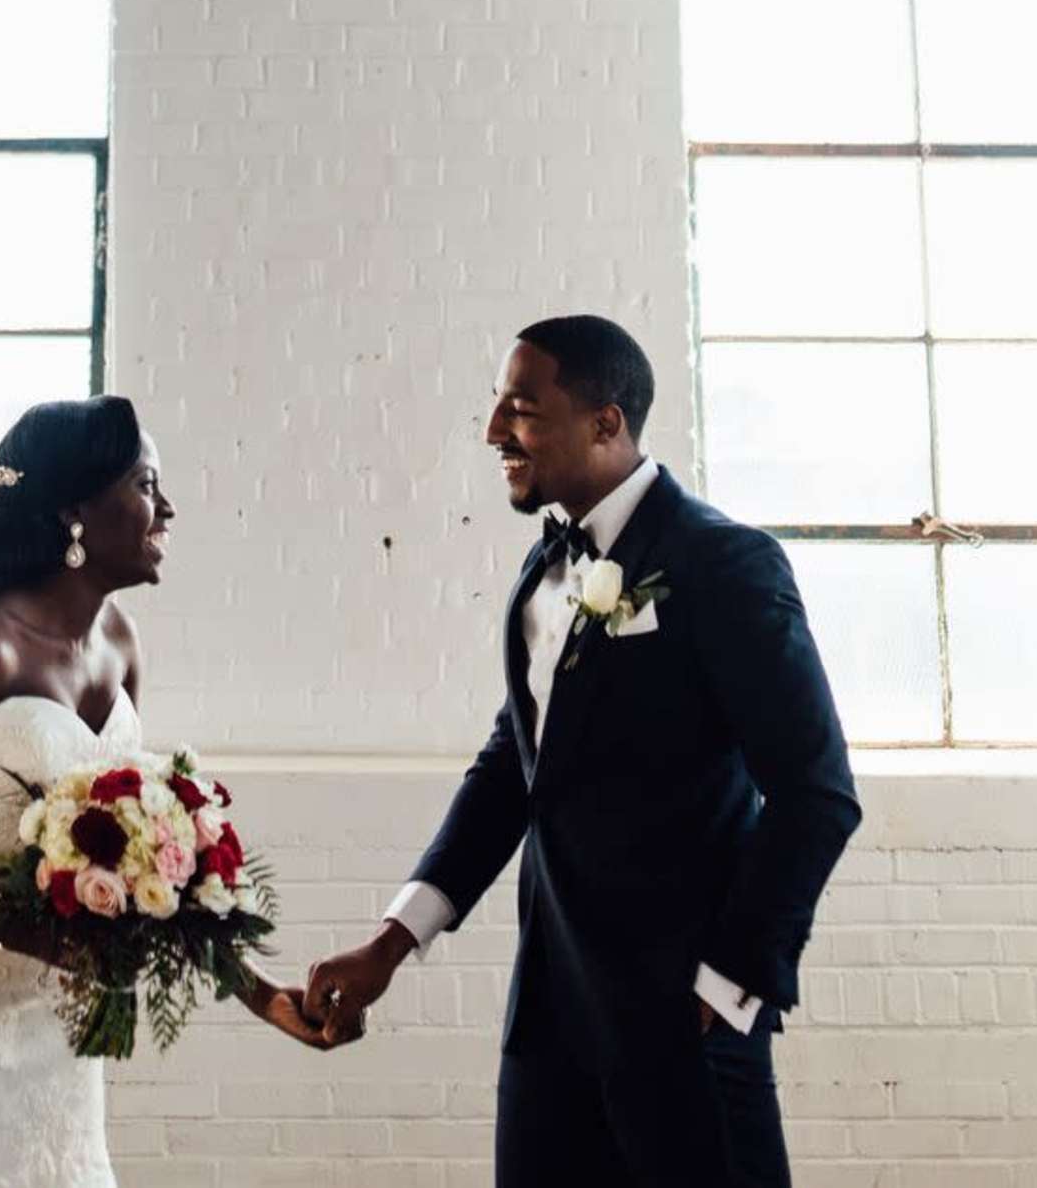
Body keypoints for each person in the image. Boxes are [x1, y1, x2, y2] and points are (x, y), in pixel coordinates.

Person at [302, 315, 859, 1188]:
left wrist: (729, 986)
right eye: (497, 406)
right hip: (549, 1027)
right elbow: (514, 772)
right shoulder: (542, 570)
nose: (495, 431)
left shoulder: (724, 564)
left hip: (687, 1025)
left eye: (522, 408)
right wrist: (390, 943)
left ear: (607, 422)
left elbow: (817, 793)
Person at [0, 394, 338, 1187]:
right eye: (144, 483)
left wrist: (260, 993)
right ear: (75, 511)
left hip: (52, 1022)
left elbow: (145, 864)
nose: (166, 507)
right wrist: (29, 935)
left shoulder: (121, 642)